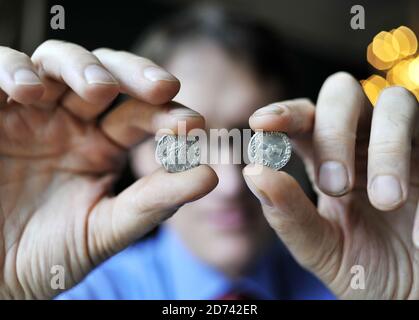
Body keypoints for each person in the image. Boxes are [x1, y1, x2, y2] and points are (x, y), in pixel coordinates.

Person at [0, 6, 417, 300]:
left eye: (252, 140)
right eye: (189, 142)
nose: (231, 185)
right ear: (137, 150)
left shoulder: (362, 284)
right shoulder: (69, 290)